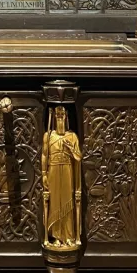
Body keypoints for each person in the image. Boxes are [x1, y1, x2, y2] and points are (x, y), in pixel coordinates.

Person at [42, 106, 82, 249]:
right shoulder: (49, 136)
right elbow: (44, 155)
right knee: (54, 203)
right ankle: (57, 237)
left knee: (68, 202)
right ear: (54, 117)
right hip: (53, 169)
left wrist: (71, 148)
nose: (60, 117)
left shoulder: (72, 136)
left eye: (62, 115)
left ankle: (69, 236)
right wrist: (43, 174)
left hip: (67, 169)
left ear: (66, 117)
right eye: (57, 115)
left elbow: (78, 157)